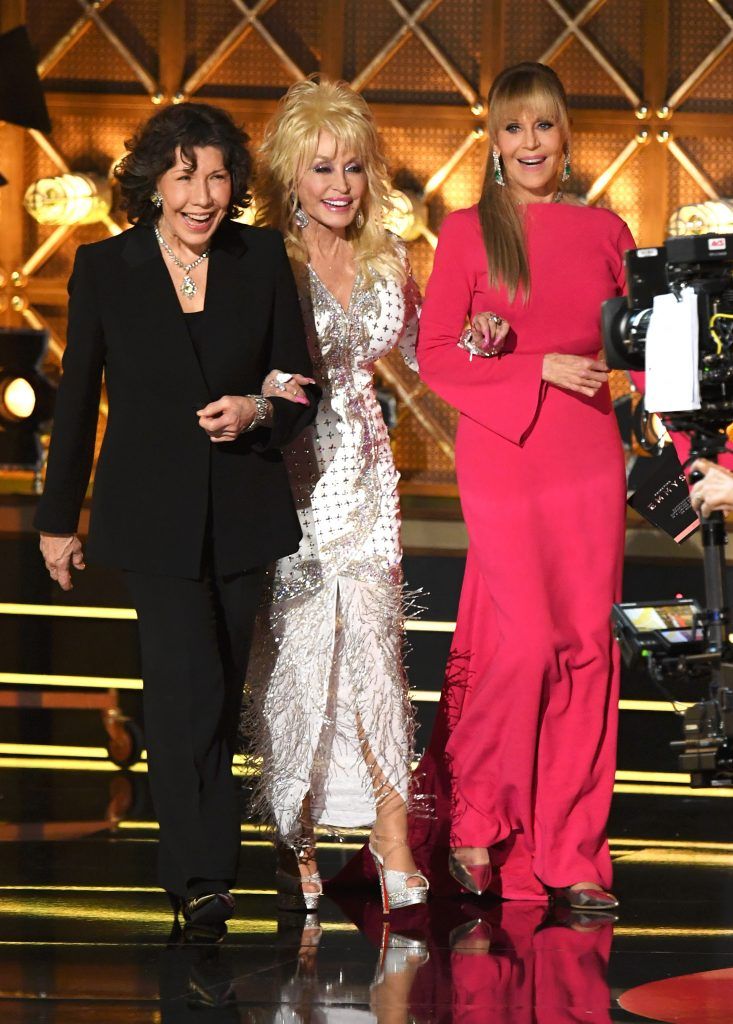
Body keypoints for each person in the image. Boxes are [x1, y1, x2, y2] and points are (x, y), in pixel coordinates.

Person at [34, 101, 318, 929]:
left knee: (221, 693)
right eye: (185, 175)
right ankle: (199, 876)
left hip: (241, 511)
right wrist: (60, 521)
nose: (203, 194)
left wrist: (256, 412)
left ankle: (203, 866)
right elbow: (78, 400)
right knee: (179, 690)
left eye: (218, 174)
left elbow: (298, 381)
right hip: (148, 515)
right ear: (153, 182)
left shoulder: (260, 256)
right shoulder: (104, 266)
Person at [412, 62, 635, 910]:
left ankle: (571, 850)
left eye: (543, 125)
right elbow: (435, 356)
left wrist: (637, 397)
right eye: (513, 127)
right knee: (528, 641)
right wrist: (518, 357)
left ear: (565, 135)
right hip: (504, 450)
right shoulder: (468, 232)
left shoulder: (607, 230)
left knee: (585, 646)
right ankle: (478, 816)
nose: (530, 142)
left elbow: (639, 355)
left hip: (585, 457)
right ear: (492, 140)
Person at [244, 76, 428, 915]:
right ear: (292, 175)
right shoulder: (261, 259)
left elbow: (434, 356)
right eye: (322, 169)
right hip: (286, 475)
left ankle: (391, 840)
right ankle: (297, 836)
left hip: (366, 475)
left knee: (377, 663)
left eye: (352, 168)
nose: (340, 187)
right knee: (300, 660)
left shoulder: (390, 257)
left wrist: (486, 336)